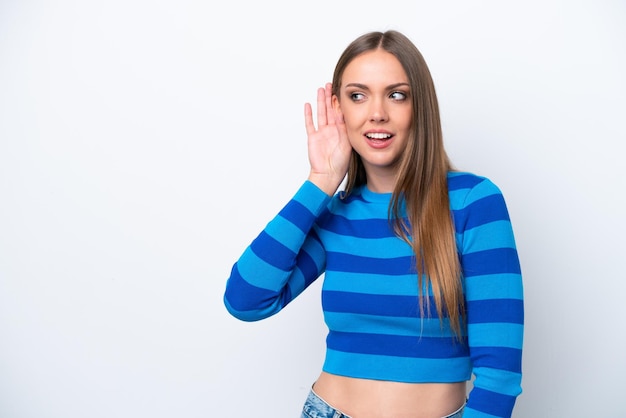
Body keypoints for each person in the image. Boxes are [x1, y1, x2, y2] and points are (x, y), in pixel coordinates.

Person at [223, 30, 523, 418]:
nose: (376, 112)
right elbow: (245, 301)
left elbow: (499, 377)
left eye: (396, 94)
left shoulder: (472, 202)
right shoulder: (334, 213)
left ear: (420, 106)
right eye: (358, 95)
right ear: (338, 109)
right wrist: (320, 183)